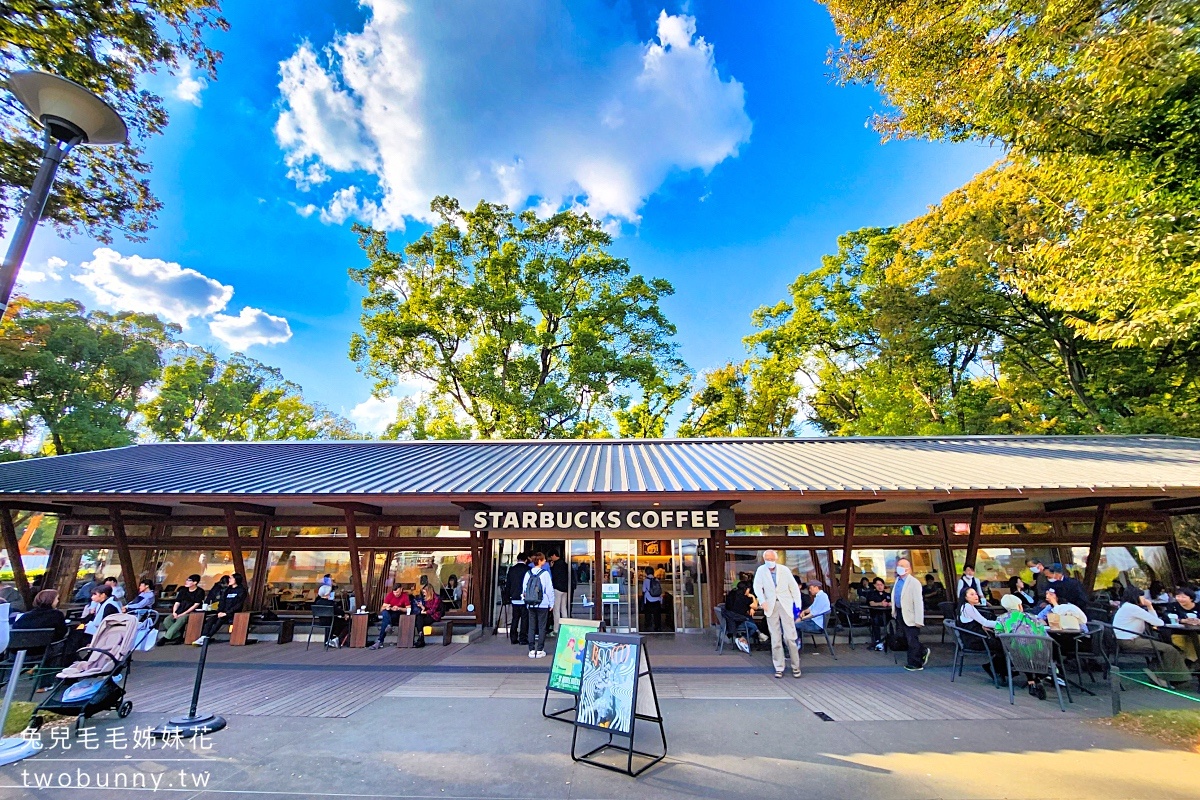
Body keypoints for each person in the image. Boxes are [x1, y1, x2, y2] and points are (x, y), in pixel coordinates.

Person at [1112, 585, 1192, 690]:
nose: (1144, 599)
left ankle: (1156, 672)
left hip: (1125, 639)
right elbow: (1158, 622)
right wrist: (1150, 606)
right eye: (1142, 597)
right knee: (1169, 649)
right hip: (1130, 641)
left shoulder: (1126, 607)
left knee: (1166, 648)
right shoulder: (1133, 608)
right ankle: (1171, 678)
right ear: (1136, 597)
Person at [753, 549, 803, 679]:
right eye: (767, 559)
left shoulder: (784, 570)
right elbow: (757, 587)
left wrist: (797, 605)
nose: (770, 561)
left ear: (776, 559)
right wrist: (762, 601)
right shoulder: (761, 571)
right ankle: (779, 667)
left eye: (772, 559)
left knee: (790, 638)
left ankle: (796, 666)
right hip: (771, 606)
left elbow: (794, 587)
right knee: (775, 639)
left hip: (786, 605)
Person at [994, 592, 1052, 698]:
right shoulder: (1032, 617)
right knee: (1033, 652)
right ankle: (1039, 678)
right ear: (1019, 605)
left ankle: (1031, 682)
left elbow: (998, 634)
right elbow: (1043, 631)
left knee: (1021, 652)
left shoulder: (1001, 619)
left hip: (1018, 656)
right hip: (1042, 654)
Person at [957, 587, 1005, 680]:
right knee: (1003, 645)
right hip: (975, 640)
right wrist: (1004, 624)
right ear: (965, 597)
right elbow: (985, 622)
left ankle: (999, 669)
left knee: (1000, 643)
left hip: (972, 638)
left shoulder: (964, 607)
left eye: (975, 593)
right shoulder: (968, 607)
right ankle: (997, 669)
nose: (976, 596)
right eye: (972, 594)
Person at [892, 557, 929, 672]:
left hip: (910, 615)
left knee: (911, 638)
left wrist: (919, 619)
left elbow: (918, 602)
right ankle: (922, 650)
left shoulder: (914, 582)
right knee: (902, 636)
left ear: (908, 569)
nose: (899, 568)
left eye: (902, 566)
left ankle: (915, 663)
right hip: (900, 612)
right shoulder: (897, 580)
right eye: (899, 565)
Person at [196, 573, 246, 645]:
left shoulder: (241, 590)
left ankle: (207, 637)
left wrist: (227, 613)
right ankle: (203, 636)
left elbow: (238, 604)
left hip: (232, 613)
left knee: (220, 621)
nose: (229, 580)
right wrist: (220, 611)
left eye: (231, 578)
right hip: (222, 612)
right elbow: (222, 601)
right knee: (210, 620)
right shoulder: (228, 590)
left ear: (236, 580)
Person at [523, 552, 554, 658]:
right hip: (543, 603)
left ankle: (531, 650)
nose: (545, 561)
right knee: (542, 627)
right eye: (544, 560)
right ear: (540, 561)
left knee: (531, 626)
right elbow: (549, 590)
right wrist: (551, 603)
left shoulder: (528, 573)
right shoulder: (545, 574)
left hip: (531, 604)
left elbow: (524, 590)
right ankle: (540, 650)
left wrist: (526, 601)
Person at [161, 575, 205, 644]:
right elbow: (177, 602)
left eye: (189, 580)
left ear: (195, 582)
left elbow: (196, 605)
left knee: (181, 619)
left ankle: (165, 638)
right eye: (186, 580)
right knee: (167, 620)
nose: (186, 582)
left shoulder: (200, 591)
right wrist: (174, 612)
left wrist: (184, 613)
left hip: (191, 612)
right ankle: (178, 636)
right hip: (179, 611)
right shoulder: (183, 590)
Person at [1164, 586, 1200, 664]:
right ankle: (1193, 662)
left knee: (1195, 641)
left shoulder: (1198, 607)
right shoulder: (1173, 606)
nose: (1180, 599)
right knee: (1189, 643)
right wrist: (1182, 620)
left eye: (1183, 597)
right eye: (1178, 596)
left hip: (1198, 633)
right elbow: (1166, 617)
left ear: (1191, 598)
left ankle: (1192, 662)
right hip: (1178, 633)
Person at [369, 583, 412, 649]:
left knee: (385, 622)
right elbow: (381, 609)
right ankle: (389, 625)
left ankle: (380, 641)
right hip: (389, 613)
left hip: (398, 614)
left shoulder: (405, 596)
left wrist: (399, 608)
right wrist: (387, 607)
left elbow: (408, 609)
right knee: (385, 613)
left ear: (401, 589)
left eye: (397, 592)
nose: (396, 594)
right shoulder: (390, 595)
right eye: (394, 592)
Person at [723, 580, 760, 653]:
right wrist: (752, 596)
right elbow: (756, 606)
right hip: (738, 621)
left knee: (749, 618)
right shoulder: (745, 598)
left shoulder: (731, 594)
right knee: (754, 627)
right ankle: (743, 638)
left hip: (730, 621)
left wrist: (750, 608)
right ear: (746, 589)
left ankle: (755, 636)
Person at [795, 581, 830, 651]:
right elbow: (811, 608)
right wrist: (804, 611)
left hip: (817, 625)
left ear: (816, 587)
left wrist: (801, 618)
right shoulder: (819, 596)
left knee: (795, 625)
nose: (809, 590)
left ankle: (796, 646)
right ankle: (797, 645)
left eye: (811, 588)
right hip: (814, 621)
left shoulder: (822, 597)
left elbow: (813, 614)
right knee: (795, 623)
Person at [505, 552, 530, 646]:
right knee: (524, 618)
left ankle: (513, 638)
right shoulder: (528, 569)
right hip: (525, 597)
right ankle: (523, 638)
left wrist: (507, 596)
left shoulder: (512, 570)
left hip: (514, 597)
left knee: (515, 618)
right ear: (526, 560)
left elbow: (508, 584)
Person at [863, 576, 891, 650]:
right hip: (876, 614)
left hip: (887, 615)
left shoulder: (887, 595)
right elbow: (871, 603)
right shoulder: (872, 594)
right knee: (875, 621)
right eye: (878, 585)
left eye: (881, 585)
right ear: (875, 585)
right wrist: (880, 604)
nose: (880, 586)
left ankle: (892, 640)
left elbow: (892, 602)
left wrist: (889, 604)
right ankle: (877, 641)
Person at [548, 551, 569, 634]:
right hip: (565, 589)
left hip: (557, 588)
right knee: (563, 608)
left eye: (551, 556)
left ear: (554, 555)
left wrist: (551, 567)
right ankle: (566, 626)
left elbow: (553, 576)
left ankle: (556, 629)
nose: (551, 558)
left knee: (556, 609)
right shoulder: (564, 563)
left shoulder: (556, 565)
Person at [641, 566, 664, 632]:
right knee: (657, 614)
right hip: (657, 599)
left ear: (646, 572)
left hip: (649, 599)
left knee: (648, 613)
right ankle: (657, 626)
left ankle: (648, 625)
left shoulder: (646, 580)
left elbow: (643, 590)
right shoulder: (657, 580)